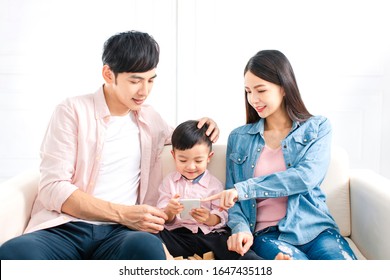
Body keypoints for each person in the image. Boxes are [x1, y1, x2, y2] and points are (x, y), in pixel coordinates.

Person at [0, 30, 219, 260]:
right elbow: (53, 187)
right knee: (14, 253)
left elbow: (184, 140)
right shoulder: (72, 111)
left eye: (151, 80)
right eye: (135, 80)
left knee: (147, 248)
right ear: (108, 74)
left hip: (122, 234)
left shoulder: (151, 119)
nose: (144, 91)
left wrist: (206, 126)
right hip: (65, 228)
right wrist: (123, 213)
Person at [204, 50, 357, 260]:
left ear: (284, 88)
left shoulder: (317, 127)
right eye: (248, 91)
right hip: (267, 235)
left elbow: (306, 177)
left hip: (316, 230)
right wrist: (241, 228)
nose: (253, 99)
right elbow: (233, 198)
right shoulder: (239, 138)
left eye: (261, 90)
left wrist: (245, 189)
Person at [156, 120, 261, 260]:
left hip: (209, 236)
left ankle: (261, 265)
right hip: (177, 235)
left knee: (233, 245)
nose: (191, 167)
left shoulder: (214, 184)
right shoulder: (169, 182)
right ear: (174, 156)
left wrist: (209, 218)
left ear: (209, 158)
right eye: (182, 160)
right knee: (151, 234)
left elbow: (222, 216)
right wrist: (170, 210)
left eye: (198, 161)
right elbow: (163, 217)